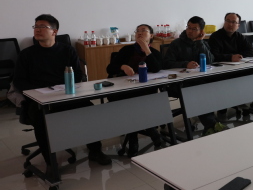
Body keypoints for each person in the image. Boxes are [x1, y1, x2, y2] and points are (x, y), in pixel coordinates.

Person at [13, 14, 111, 168]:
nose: (37, 30)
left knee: (89, 110)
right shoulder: (26, 54)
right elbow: (19, 80)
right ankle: (50, 163)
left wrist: (63, 88)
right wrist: (39, 92)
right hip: (39, 99)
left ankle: (95, 150)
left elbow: (78, 75)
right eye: (36, 27)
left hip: (65, 95)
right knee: (41, 121)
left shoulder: (68, 51)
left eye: (42, 27)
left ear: (54, 31)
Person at [163, 16, 227, 136]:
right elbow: (166, 63)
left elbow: (210, 61)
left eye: (194, 29)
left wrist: (200, 42)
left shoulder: (202, 43)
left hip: (199, 80)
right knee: (199, 89)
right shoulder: (176, 44)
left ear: (201, 31)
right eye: (188, 27)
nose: (190, 31)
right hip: (180, 83)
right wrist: (185, 64)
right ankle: (211, 125)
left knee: (215, 84)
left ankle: (212, 123)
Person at [106, 24, 163, 156]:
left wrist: (146, 50)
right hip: (124, 90)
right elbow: (110, 68)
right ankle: (149, 131)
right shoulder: (126, 50)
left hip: (145, 90)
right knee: (132, 103)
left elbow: (156, 68)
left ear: (151, 35)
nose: (139, 33)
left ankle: (134, 137)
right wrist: (122, 66)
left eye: (144, 31)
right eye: (137, 31)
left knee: (138, 102)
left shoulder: (155, 53)